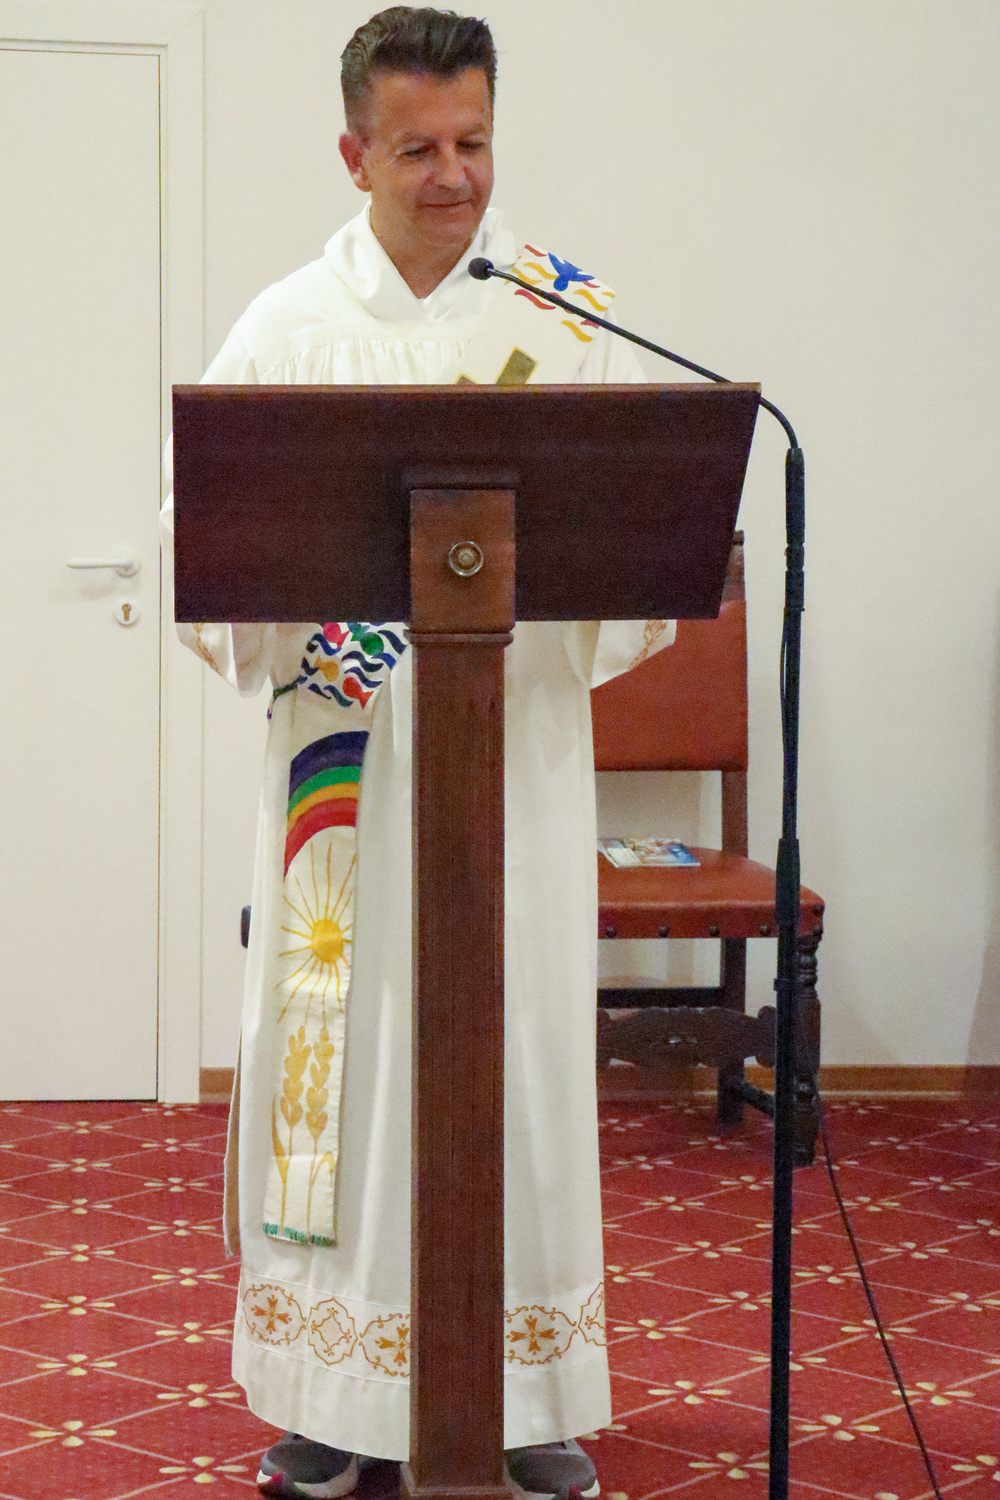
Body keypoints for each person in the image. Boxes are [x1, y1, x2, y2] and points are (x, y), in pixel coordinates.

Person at [164, 9, 673, 1499]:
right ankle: (331, 1391)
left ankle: (520, 1391)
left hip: (513, 763)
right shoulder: (286, 330)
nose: (453, 177)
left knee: (516, 1056)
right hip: (347, 770)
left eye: (474, 143)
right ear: (354, 154)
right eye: (417, 150)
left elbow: (637, 547)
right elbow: (198, 535)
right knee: (337, 1057)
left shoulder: (563, 322)